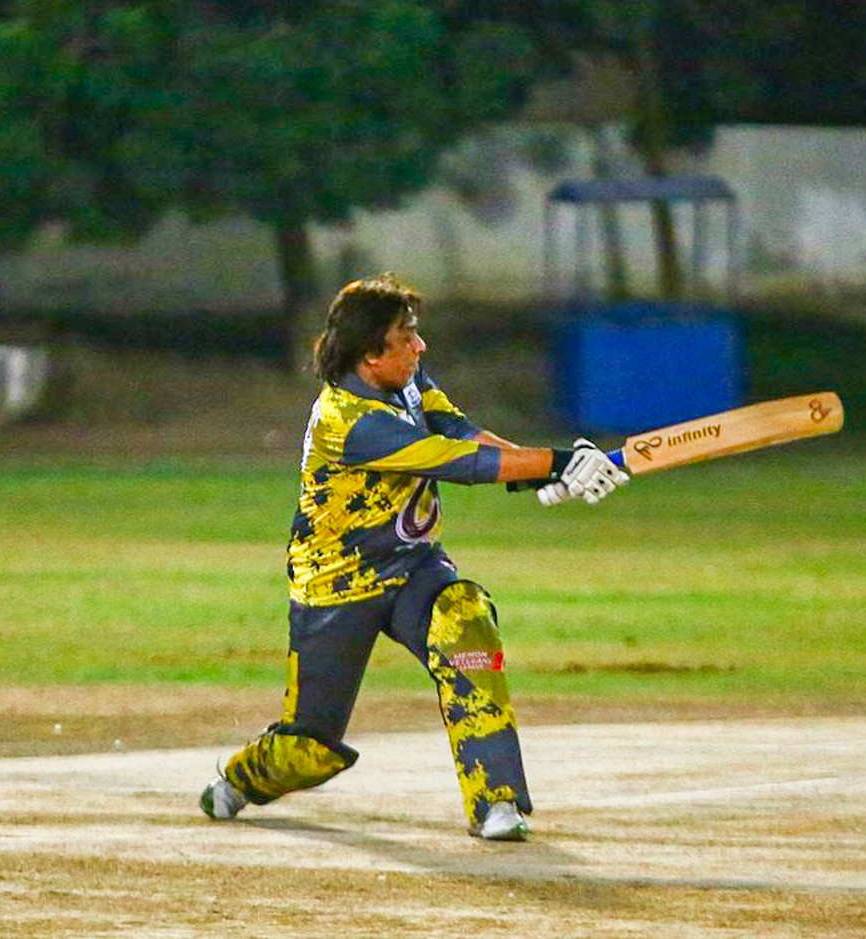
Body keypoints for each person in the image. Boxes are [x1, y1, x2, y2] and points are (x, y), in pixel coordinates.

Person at [199, 274, 627, 841]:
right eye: (406, 337)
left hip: (413, 567)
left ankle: (496, 802)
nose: (420, 346)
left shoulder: (406, 384)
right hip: (337, 584)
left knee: (465, 621)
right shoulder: (348, 422)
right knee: (310, 749)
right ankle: (241, 779)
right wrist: (557, 462)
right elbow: (456, 461)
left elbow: (461, 433)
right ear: (370, 355)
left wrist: (550, 472)